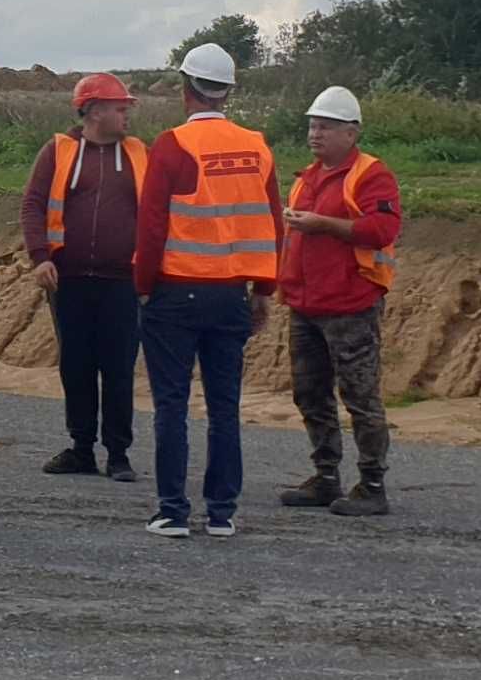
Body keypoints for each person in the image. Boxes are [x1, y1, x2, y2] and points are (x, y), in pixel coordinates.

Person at [133, 41, 281, 537]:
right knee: (224, 407)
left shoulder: (172, 146)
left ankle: (173, 510)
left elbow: (151, 225)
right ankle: (222, 513)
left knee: (172, 404)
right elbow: (270, 225)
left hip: (175, 292)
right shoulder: (257, 146)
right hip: (231, 296)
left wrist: (143, 286)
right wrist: (263, 290)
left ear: (185, 90)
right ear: (227, 93)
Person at [277, 84, 406, 517]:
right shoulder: (308, 178)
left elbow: (382, 230)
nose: (316, 134)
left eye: (326, 127)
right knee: (310, 395)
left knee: (361, 397)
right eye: (313, 126)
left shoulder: (371, 175)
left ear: (351, 133)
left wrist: (322, 224)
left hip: (351, 303)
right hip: (307, 304)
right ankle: (326, 476)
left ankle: (372, 485)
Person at [22, 72, 148, 482]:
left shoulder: (138, 154)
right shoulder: (57, 151)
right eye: (119, 107)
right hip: (69, 280)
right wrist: (40, 257)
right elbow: (33, 206)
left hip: (121, 283)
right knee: (75, 366)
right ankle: (81, 448)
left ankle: (118, 454)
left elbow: (158, 215)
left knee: (118, 367)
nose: (126, 113)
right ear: (93, 111)